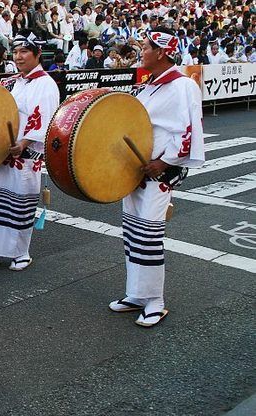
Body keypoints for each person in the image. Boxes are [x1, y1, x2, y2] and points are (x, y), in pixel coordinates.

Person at [109, 28, 204, 328]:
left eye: (145, 47)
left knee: (149, 237)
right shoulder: (151, 85)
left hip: (157, 175)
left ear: (162, 52)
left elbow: (187, 132)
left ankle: (155, 301)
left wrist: (163, 163)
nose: (141, 51)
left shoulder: (182, 86)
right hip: (137, 173)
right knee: (133, 234)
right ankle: (136, 293)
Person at [0, 30, 59, 271]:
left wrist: (24, 144)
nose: (18, 56)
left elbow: (43, 119)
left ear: (38, 54)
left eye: (24, 51)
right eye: (15, 52)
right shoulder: (13, 82)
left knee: (18, 204)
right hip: (1, 153)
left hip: (23, 155)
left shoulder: (46, 84)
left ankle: (20, 253)